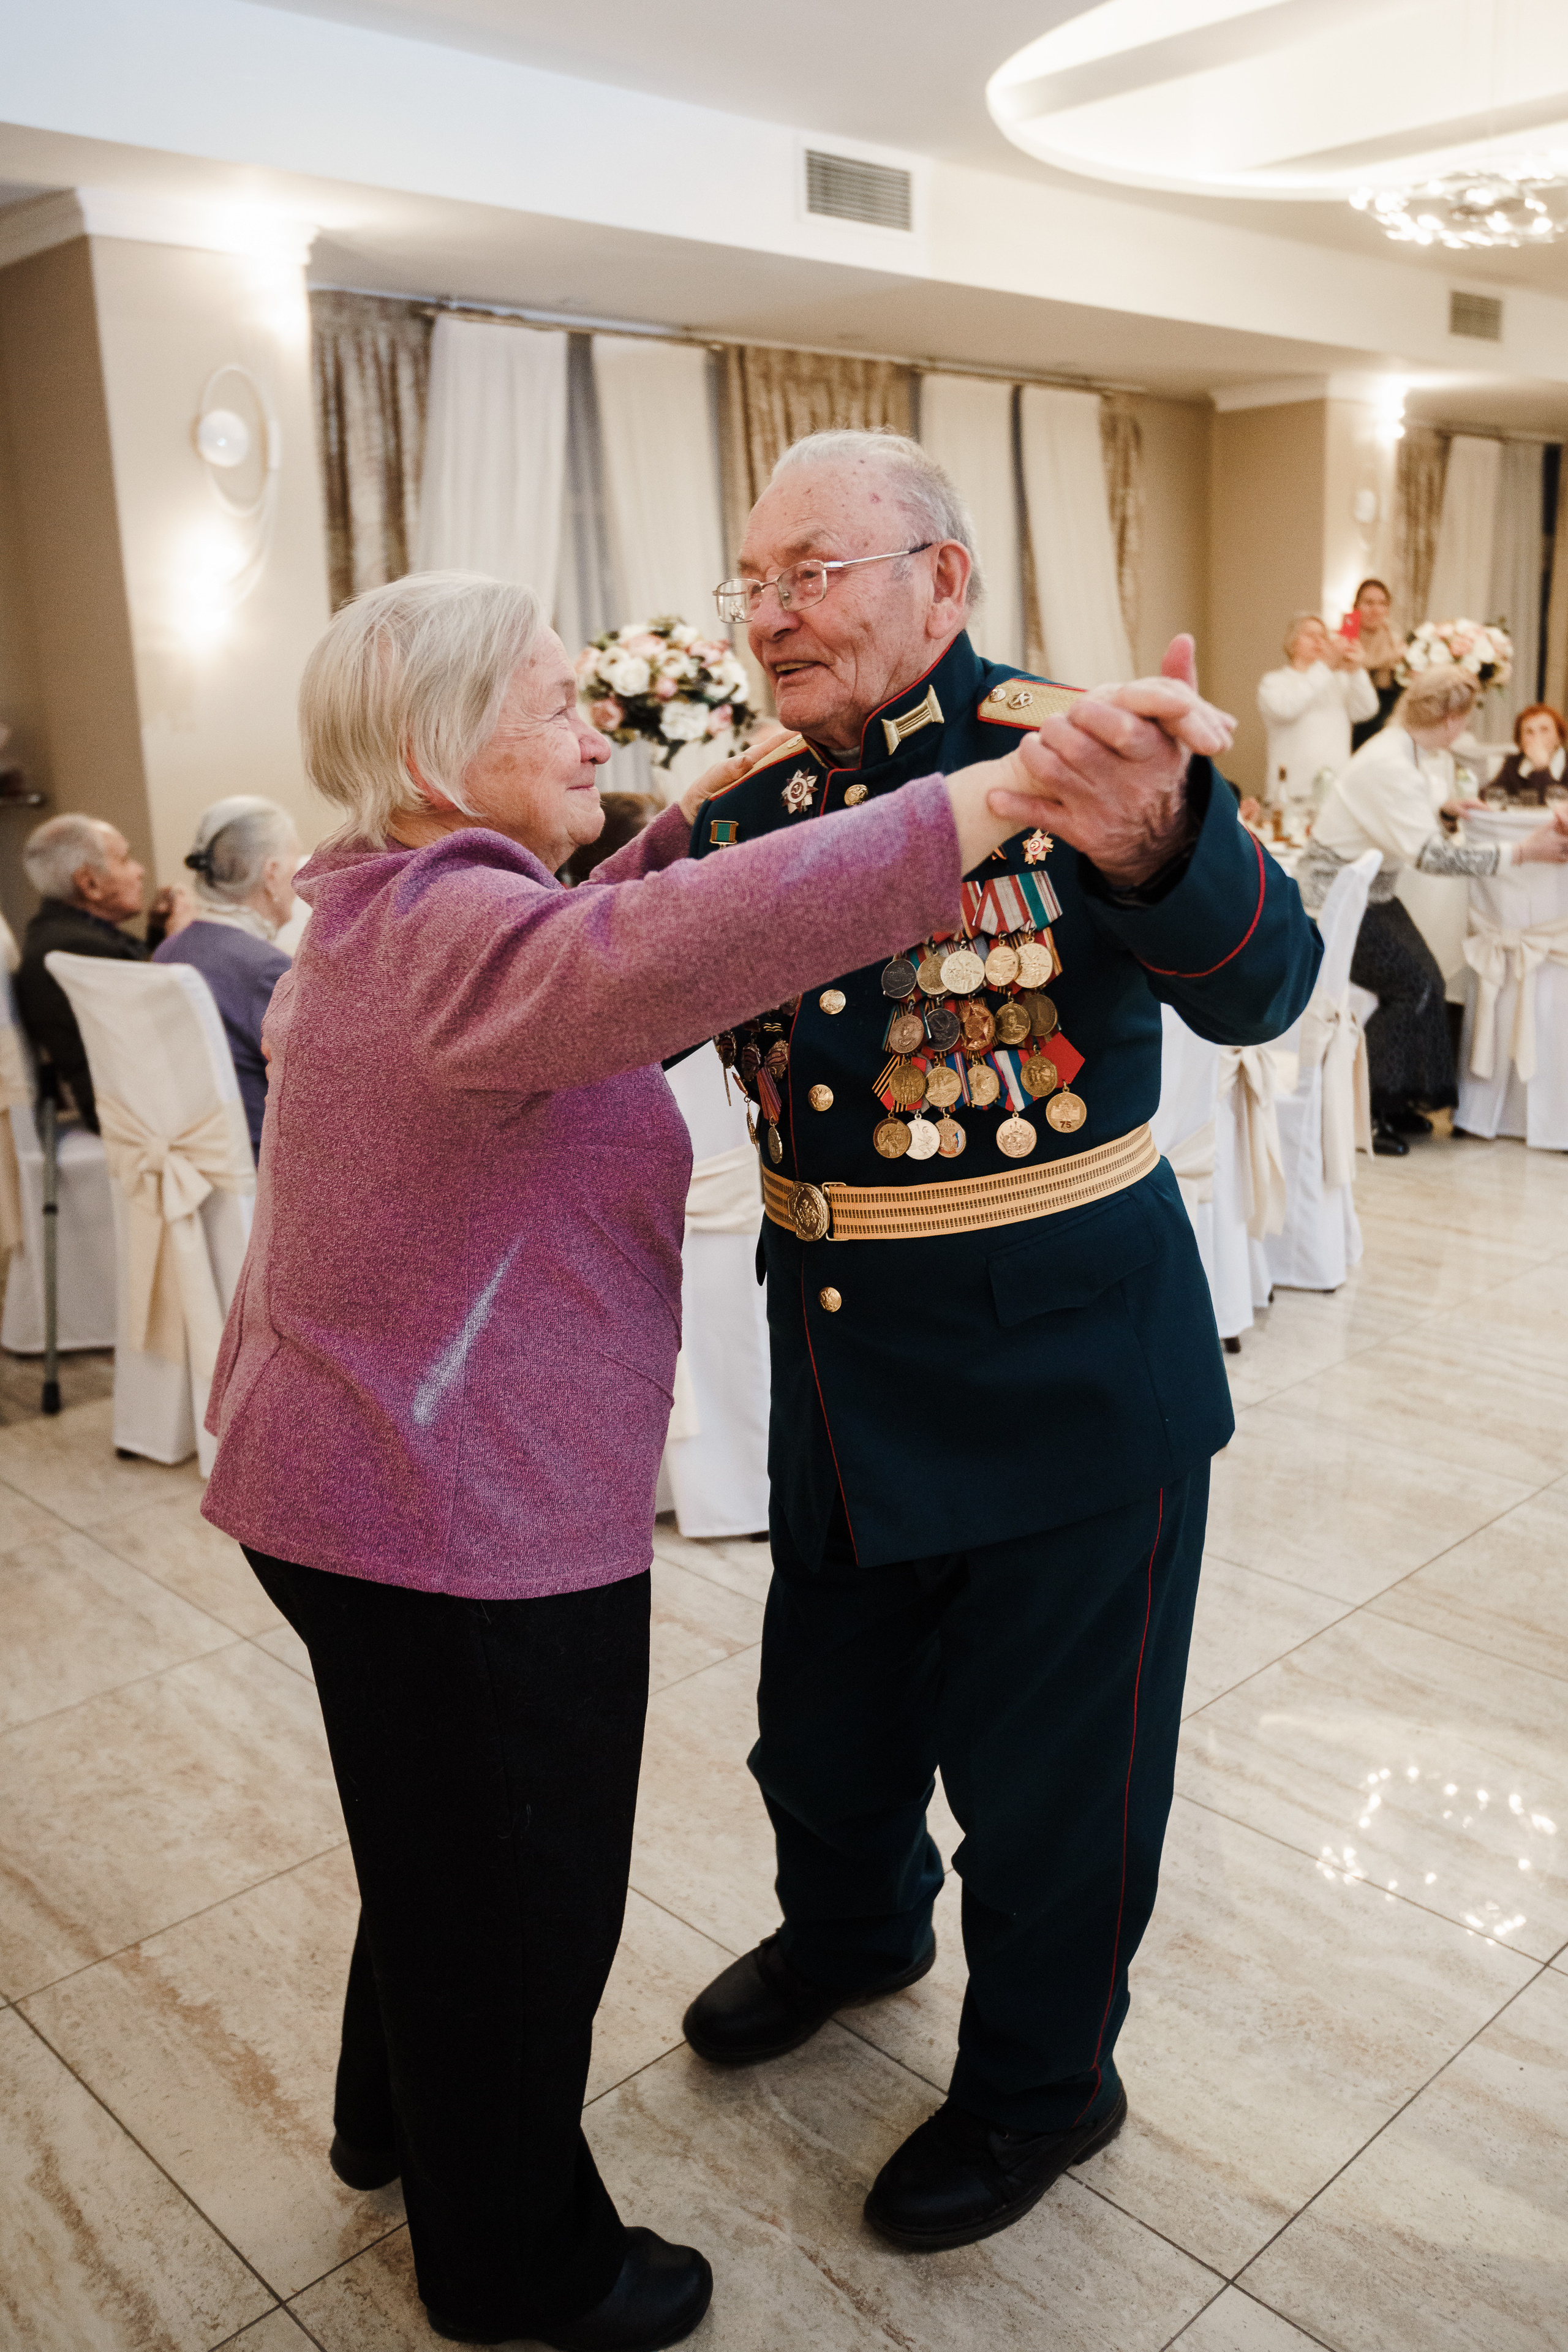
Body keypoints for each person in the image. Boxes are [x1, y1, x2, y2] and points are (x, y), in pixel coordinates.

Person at [198, 568, 1081, 2351]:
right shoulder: (463, 932)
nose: (590, 722)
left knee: (434, 1843)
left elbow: (586, 952)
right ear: (443, 753)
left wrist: (696, 800)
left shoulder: (396, 903)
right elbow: (646, 960)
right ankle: (515, 2259)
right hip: (452, 1519)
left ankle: (397, 2117)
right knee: (517, 1897)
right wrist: (981, 802)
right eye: (551, 701)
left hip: (347, 1484)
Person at [679, 429, 1321, 2254]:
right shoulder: (740, 806)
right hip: (837, 1362)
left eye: (816, 571)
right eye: (755, 580)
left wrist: (1166, 842)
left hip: (1067, 1382)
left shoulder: (1072, 754)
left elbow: (1267, 987)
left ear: (939, 578)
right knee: (822, 1734)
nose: (774, 614)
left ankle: (1047, 2082)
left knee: (1055, 1795)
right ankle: (852, 1933)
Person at [1302, 666, 1568, 1154]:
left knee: (1431, 980)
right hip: (1332, 898)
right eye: (1464, 720)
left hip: (1371, 891)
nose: (1463, 730)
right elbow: (1434, 857)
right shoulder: (1392, 763)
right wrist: (1523, 852)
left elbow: (1403, 822)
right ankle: (1368, 1110)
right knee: (1414, 986)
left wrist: (1445, 813)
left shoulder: (1403, 748)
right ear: (1449, 719)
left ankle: (1403, 1100)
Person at [15, 815, 191, 1128]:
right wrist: (181, 942)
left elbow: (129, 974)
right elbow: (161, 1022)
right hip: (129, 1112)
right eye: (124, 860)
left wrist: (157, 934)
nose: (140, 870)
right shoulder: (73, 946)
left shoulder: (62, 929)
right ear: (90, 884)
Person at [153, 797, 299, 1158]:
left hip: (196, 1152)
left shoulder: (169, 950)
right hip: (264, 1159)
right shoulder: (267, 970)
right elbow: (320, 1091)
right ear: (273, 873)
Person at [1256, 612, 1377, 819]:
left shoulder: (1338, 680)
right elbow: (1286, 709)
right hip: (1291, 797)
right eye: (1310, 635)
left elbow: (1366, 711)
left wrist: (1356, 670)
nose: (1319, 641)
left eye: (1323, 636)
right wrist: (1325, 667)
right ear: (1292, 644)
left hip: (1334, 795)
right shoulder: (1274, 682)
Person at [1348, 576, 1403, 750]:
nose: (1376, 610)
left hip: (1388, 719)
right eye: (1369, 603)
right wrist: (1392, 657)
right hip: (1354, 719)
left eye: (1382, 604)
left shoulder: (1394, 637)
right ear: (1357, 606)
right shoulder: (1347, 636)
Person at [1488, 703, 1568, 805]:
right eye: (1530, 732)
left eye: (1544, 730)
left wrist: (1541, 768)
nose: (1537, 737)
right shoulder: (1513, 763)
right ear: (1521, 743)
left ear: (1559, 737)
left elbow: (1550, 807)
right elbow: (1492, 796)